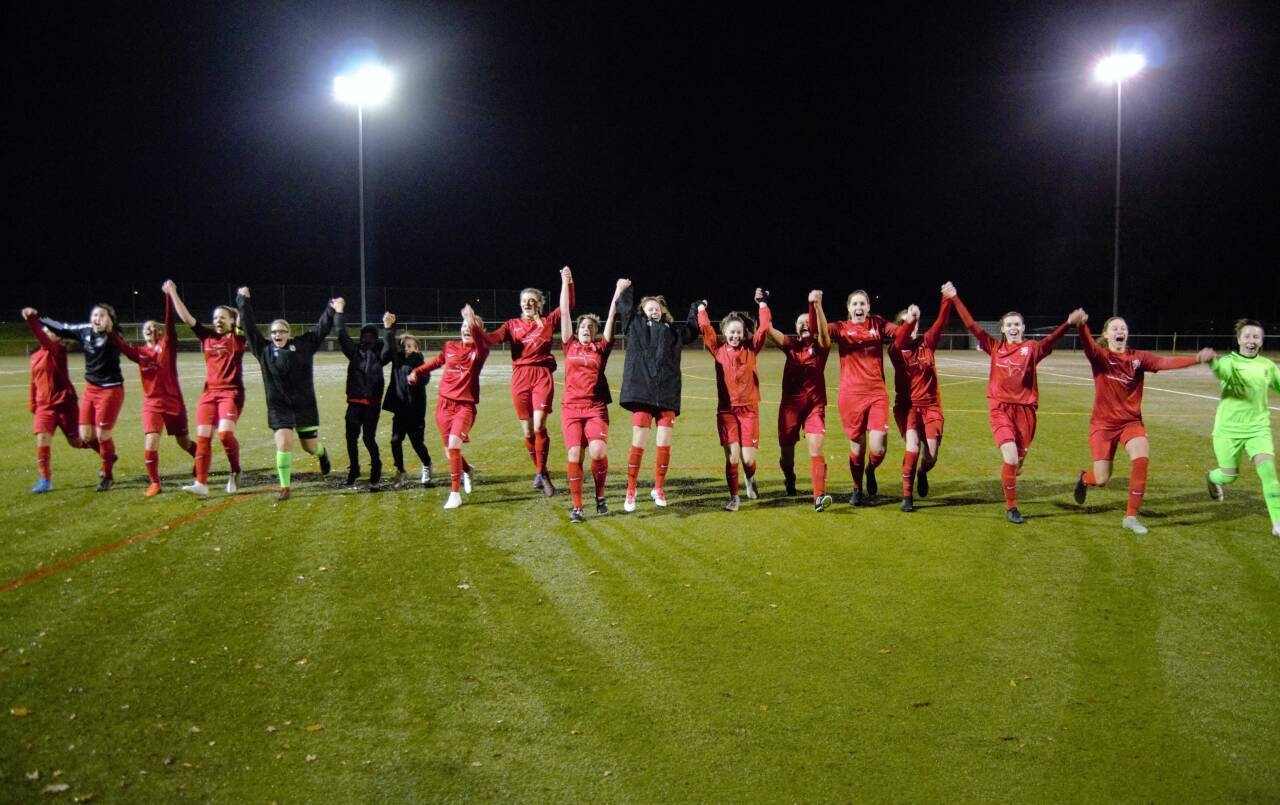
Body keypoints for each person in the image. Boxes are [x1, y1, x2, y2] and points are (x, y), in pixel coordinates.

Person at [944, 281, 1084, 524]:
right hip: (999, 408)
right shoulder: (994, 347)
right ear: (1002, 329)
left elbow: (1050, 340)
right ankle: (1011, 508)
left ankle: (1016, 468)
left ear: (1023, 327)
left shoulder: (1032, 348)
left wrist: (1068, 324)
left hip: (1026, 412)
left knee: (1016, 463)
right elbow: (971, 325)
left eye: (1017, 324)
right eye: (1008, 324)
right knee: (1009, 457)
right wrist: (954, 297)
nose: (1013, 328)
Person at [1071, 315, 1214, 534]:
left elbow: (1163, 362)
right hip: (1103, 426)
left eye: (1123, 328)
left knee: (1141, 460)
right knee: (1101, 479)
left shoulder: (1138, 358)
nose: (1120, 331)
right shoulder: (1100, 356)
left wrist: (1196, 358)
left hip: (1131, 422)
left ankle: (1131, 517)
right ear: (1106, 334)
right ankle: (1084, 479)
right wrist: (1082, 325)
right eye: (1115, 328)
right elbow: (1088, 345)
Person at [237, 287, 338, 501]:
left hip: (304, 406)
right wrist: (243, 300)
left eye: (282, 331)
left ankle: (322, 454)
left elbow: (320, 329)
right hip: (279, 408)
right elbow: (249, 327)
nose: (277, 335)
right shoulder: (263, 350)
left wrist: (331, 309)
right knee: (284, 443)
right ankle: (284, 487)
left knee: (309, 447)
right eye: (274, 332)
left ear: (289, 333)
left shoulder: (303, 345)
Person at [484, 272, 572, 496]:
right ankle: (541, 472)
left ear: (539, 304)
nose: (528, 304)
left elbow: (567, 305)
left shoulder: (548, 321)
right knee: (527, 431)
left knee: (539, 426)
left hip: (541, 375)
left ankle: (542, 474)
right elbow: (492, 339)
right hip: (520, 377)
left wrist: (566, 281)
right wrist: (475, 329)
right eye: (524, 301)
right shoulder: (512, 325)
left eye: (532, 301)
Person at [614, 284, 701, 512]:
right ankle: (631, 489)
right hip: (642, 393)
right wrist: (624, 290)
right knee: (639, 442)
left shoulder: (673, 332)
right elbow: (624, 310)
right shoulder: (635, 326)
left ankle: (658, 488)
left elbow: (692, 330)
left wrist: (696, 308)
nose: (654, 310)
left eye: (657, 307)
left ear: (662, 311)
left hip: (666, 394)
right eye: (649, 307)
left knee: (664, 443)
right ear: (642, 311)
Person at [109, 283, 198, 496]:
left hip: (174, 402)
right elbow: (122, 346)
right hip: (153, 404)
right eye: (146, 328)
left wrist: (168, 296)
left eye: (153, 327)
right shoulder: (139, 352)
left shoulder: (168, 344)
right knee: (151, 440)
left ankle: (199, 457)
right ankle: (155, 482)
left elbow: (169, 321)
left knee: (183, 441)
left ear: (159, 331)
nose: (149, 329)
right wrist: (110, 331)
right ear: (142, 333)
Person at [165, 282, 247, 496]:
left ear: (231, 321)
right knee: (203, 437)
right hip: (209, 394)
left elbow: (243, 319)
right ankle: (201, 483)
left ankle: (235, 471)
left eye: (223, 317)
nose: (218, 320)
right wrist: (173, 292)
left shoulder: (237, 338)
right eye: (215, 317)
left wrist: (242, 302)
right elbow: (186, 318)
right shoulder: (207, 337)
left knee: (225, 434)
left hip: (231, 394)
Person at [1204, 319, 1280, 538]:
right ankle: (1212, 477)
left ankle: (1277, 522)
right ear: (1238, 340)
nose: (1251, 341)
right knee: (1229, 476)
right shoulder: (1229, 362)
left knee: (1268, 472)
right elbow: (1221, 371)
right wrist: (1212, 362)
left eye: (1256, 337)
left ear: (1262, 341)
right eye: (1247, 336)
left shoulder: (1267, 366)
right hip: (1227, 430)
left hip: (1258, 429)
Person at [37, 303, 125, 491]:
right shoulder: (85, 331)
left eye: (102, 315)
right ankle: (109, 457)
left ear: (110, 319)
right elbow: (63, 328)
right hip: (91, 389)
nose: (97, 318)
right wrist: (39, 317)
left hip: (110, 390)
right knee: (85, 436)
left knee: (103, 435)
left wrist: (110, 330)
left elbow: (119, 341)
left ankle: (108, 476)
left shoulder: (115, 336)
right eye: (95, 315)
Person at [697, 290, 772, 511]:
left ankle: (750, 478)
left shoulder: (751, 349)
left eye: (739, 332)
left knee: (748, 460)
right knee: (733, 458)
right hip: (726, 411)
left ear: (743, 333)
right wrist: (701, 309)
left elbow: (763, 328)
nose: (735, 336)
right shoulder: (718, 350)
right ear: (725, 332)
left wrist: (763, 304)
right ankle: (734, 497)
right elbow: (706, 329)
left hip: (749, 410)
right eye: (732, 332)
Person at [410, 305, 489, 509]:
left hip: (465, 406)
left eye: (471, 327)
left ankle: (455, 494)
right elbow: (437, 362)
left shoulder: (480, 351)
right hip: (443, 405)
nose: (466, 329)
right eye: (464, 325)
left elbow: (482, 341)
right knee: (450, 452)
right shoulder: (450, 347)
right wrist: (417, 371)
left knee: (454, 445)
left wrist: (472, 320)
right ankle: (468, 470)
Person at [559, 271, 624, 522]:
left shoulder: (601, 348)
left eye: (591, 327)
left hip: (595, 408)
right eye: (583, 326)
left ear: (596, 332)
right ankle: (577, 507)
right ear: (577, 331)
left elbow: (612, 316)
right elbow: (565, 312)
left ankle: (600, 496)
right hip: (571, 408)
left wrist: (617, 292)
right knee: (574, 455)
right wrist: (565, 282)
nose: (586, 329)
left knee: (597, 452)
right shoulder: (570, 345)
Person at [826, 289, 900, 506]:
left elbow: (899, 333)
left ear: (868, 307)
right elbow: (817, 328)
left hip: (877, 394)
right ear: (849, 308)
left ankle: (870, 469)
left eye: (862, 304)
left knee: (878, 448)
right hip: (850, 397)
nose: (859, 307)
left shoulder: (878, 324)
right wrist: (815, 306)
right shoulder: (840, 327)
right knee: (857, 449)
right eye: (855, 304)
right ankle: (857, 488)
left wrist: (911, 321)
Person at [764, 290, 833, 510]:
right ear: (795, 328)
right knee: (787, 456)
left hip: (814, 406)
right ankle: (790, 477)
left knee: (816, 449)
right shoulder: (790, 346)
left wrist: (816, 305)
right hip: (790, 408)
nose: (804, 324)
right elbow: (768, 329)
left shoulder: (821, 347)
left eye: (807, 321)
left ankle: (819, 497)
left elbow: (823, 333)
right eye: (799, 322)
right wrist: (763, 303)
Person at [889, 293, 953, 512]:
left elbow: (941, 322)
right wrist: (911, 319)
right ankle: (907, 496)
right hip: (907, 407)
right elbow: (900, 338)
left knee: (931, 455)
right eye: (905, 323)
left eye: (914, 323)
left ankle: (922, 472)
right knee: (912, 447)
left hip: (931, 406)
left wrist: (947, 298)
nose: (911, 326)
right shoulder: (896, 349)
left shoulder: (927, 342)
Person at [21, 308, 90, 492]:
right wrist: (33, 402)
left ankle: (105, 453)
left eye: (49, 331)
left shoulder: (57, 350)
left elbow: (38, 333)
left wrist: (31, 319)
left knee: (76, 442)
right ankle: (45, 480)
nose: (45, 333)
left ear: (58, 338)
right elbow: (34, 380)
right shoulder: (35, 355)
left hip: (65, 404)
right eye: (45, 330)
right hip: (44, 406)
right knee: (42, 439)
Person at [336, 310, 392, 488]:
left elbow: (389, 349)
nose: (367, 338)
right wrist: (339, 313)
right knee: (351, 439)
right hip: (354, 403)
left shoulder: (380, 355)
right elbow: (342, 335)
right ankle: (354, 469)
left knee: (368, 438)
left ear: (375, 337)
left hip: (371, 405)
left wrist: (388, 328)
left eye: (371, 335)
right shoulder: (354, 352)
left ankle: (376, 465)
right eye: (364, 335)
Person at [381, 313, 433, 488]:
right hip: (400, 410)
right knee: (395, 441)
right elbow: (389, 344)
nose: (407, 349)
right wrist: (389, 327)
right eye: (404, 346)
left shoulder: (420, 362)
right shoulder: (397, 360)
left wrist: (416, 376)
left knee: (417, 443)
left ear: (417, 348)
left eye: (410, 346)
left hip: (416, 411)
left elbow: (426, 379)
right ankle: (401, 470)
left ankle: (427, 464)